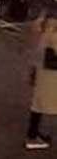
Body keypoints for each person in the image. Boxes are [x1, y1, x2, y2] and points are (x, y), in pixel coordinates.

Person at [25, 9, 57, 149]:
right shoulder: (51, 28)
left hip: (43, 68)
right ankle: (32, 137)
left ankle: (32, 135)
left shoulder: (44, 21)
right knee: (41, 102)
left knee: (38, 103)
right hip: (50, 71)